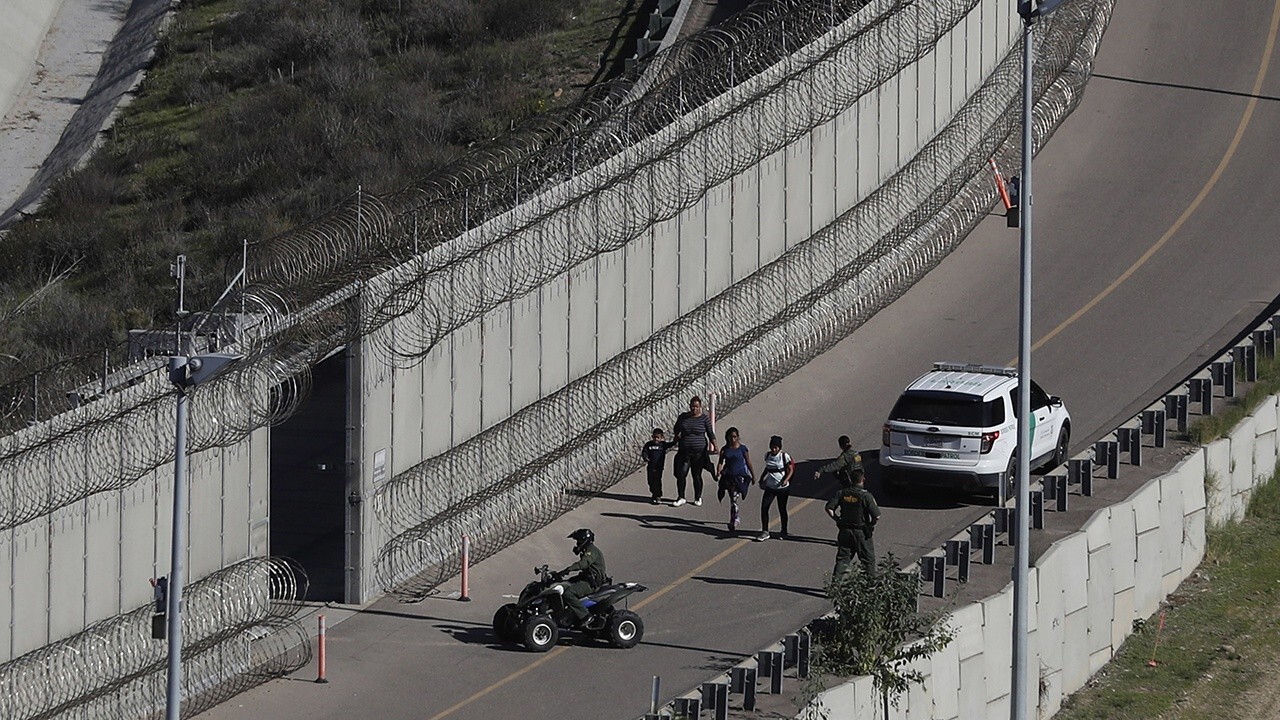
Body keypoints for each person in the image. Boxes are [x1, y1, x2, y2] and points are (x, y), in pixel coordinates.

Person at [825, 467, 880, 583]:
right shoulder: (866, 496)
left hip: (845, 530)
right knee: (868, 560)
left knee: (842, 559)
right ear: (863, 479)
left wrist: (837, 519)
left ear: (850, 479)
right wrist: (870, 525)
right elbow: (877, 516)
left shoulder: (842, 493)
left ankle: (835, 585)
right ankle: (870, 586)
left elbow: (829, 508)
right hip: (861, 532)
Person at [556, 528, 607, 628]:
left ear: (585, 540)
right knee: (565, 584)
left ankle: (585, 616)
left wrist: (568, 569)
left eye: (578, 541)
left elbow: (583, 564)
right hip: (586, 578)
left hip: (591, 583)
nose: (577, 543)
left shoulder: (591, 551)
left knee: (568, 593)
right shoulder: (586, 550)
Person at [671, 395, 716, 507]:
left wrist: (716, 446)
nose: (694, 409)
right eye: (692, 406)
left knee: (696, 475)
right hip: (684, 452)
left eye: (696, 406)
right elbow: (676, 429)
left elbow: (710, 433)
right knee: (681, 474)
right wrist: (677, 436)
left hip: (699, 453)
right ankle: (681, 497)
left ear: (700, 407)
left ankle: (698, 497)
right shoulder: (683, 417)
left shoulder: (704, 419)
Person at [756, 435, 795, 541]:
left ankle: (784, 531)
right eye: (772, 447)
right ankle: (765, 531)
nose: (774, 449)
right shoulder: (767, 455)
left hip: (782, 488)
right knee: (764, 507)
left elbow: (790, 469)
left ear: (779, 448)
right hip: (770, 487)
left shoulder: (784, 456)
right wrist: (762, 478)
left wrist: (786, 479)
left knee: (782, 509)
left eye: (776, 447)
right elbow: (768, 468)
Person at [715, 427, 754, 532]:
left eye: (734, 437)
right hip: (728, 477)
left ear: (738, 437)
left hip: (739, 477)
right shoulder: (725, 450)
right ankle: (735, 517)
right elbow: (720, 462)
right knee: (732, 498)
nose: (732, 439)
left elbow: (748, 462)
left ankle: (734, 520)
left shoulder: (742, 449)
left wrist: (753, 475)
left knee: (734, 499)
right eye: (730, 437)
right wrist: (718, 472)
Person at [640, 428, 675, 504]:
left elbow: (672, 444)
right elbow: (644, 451)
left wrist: (677, 439)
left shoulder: (663, 445)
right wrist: (645, 457)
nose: (656, 439)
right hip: (650, 467)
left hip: (659, 467)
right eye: (654, 437)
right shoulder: (649, 444)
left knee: (657, 481)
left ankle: (658, 496)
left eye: (658, 437)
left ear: (661, 437)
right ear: (652, 436)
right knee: (650, 481)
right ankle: (654, 494)